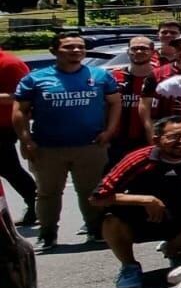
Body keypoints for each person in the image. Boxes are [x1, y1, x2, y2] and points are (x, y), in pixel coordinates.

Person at [13, 30, 121, 249]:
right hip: (47, 148)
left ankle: (95, 230)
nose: (76, 50)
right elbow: (19, 111)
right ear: (54, 51)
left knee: (92, 192)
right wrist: (26, 140)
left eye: (80, 47)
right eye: (69, 47)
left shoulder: (100, 76)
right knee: (48, 194)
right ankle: (47, 234)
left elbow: (115, 103)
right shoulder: (35, 79)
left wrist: (109, 131)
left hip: (91, 145)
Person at [90, 118, 181, 288]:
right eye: (174, 136)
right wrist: (146, 200)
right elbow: (97, 198)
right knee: (110, 220)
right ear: (156, 140)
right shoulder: (137, 159)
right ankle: (129, 267)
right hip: (146, 220)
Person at [106, 35, 161, 168]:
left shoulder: (162, 78)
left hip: (149, 139)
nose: (139, 52)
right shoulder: (113, 76)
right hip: (117, 141)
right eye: (134, 48)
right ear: (128, 51)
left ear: (153, 52)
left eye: (143, 48)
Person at [0, 42, 36, 228]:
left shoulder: (10, 63)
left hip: (3, 126)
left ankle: (35, 202)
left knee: (9, 168)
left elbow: (23, 96)